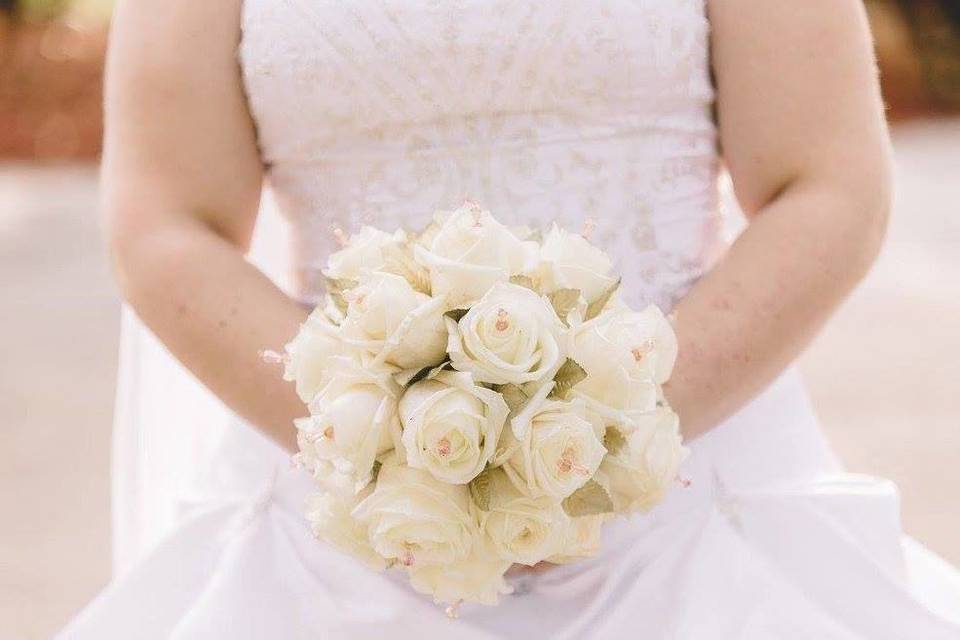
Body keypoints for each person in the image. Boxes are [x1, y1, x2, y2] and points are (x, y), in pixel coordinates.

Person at [61, 0, 960, 638]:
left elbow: (829, 184)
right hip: (328, 516)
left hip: (697, 473)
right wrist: (382, 452)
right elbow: (167, 222)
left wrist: (600, 439)